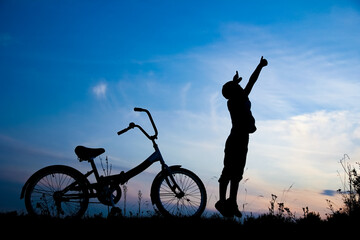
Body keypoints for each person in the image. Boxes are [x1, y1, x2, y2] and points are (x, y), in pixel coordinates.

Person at [215, 56, 268, 217]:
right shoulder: (236, 100)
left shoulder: (236, 98)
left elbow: (244, 86)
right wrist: (260, 66)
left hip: (242, 138)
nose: (239, 87)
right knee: (229, 171)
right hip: (236, 139)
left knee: (236, 174)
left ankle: (231, 202)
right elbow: (251, 82)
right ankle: (223, 202)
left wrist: (235, 83)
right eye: (235, 87)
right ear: (233, 92)